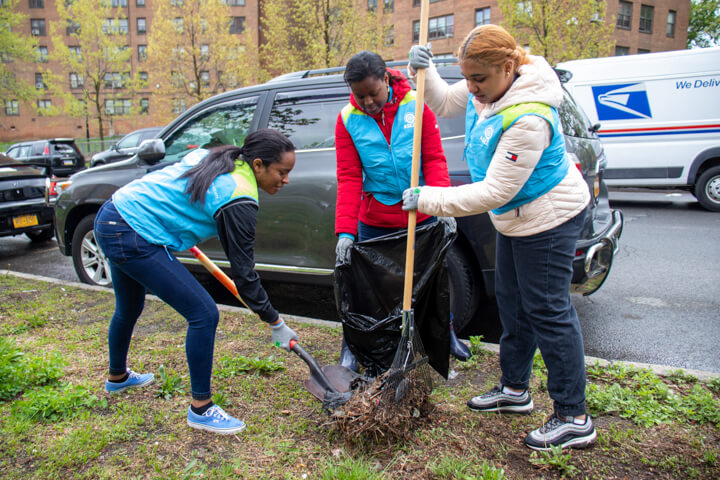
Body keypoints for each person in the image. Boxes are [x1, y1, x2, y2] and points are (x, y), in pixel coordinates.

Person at [404, 25, 595, 451]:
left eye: (479, 79)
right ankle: (515, 391)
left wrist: (426, 198)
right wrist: (428, 70)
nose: (471, 88)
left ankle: (573, 415)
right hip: (515, 218)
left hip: (547, 219)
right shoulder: (490, 89)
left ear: (509, 67)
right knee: (512, 302)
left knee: (548, 310)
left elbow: (494, 191)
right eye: (467, 77)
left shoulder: (529, 117)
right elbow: (447, 102)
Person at [94, 129, 299, 435]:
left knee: (129, 307)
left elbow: (168, 178)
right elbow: (244, 276)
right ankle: (201, 409)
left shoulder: (219, 156)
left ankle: (118, 378)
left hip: (113, 214)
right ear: (258, 165)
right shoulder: (238, 196)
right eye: (282, 172)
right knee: (204, 314)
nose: (285, 180)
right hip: (131, 232)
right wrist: (275, 321)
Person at [334, 50, 472, 371]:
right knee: (371, 288)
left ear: (386, 79)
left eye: (373, 93)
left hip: (420, 213)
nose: (367, 101)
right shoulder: (347, 120)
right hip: (376, 219)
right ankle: (361, 346)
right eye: (359, 95)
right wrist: (345, 232)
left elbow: (435, 160)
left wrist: (442, 205)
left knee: (432, 277)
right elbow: (350, 177)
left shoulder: (416, 104)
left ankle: (444, 331)